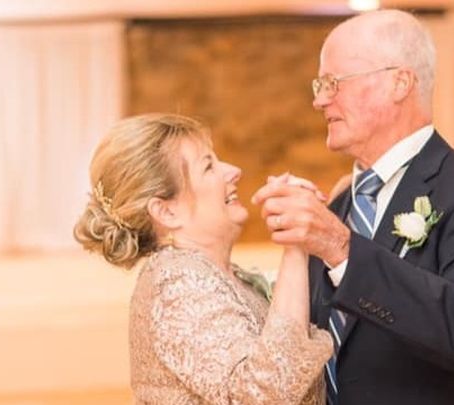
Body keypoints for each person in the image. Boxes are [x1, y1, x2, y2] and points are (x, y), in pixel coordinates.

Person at [252, 10, 454, 404]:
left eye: (334, 83)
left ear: (399, 82)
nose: (319, 100)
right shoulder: (338, 208)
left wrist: (341, 248)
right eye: (320, 85)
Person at [73, 114, 332, 404]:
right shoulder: (177, 285)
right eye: (209, 166)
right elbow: (264, 393)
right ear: (167, 212)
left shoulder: (209, 274)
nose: (233, 171)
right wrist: (295, 243)